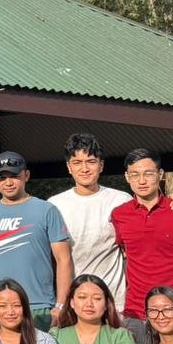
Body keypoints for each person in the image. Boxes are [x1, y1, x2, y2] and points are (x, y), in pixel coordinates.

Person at [0, 152, 72, 331]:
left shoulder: (47, 210)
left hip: (39, 307)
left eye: (14, 176)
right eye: (2, 177)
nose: (8, 183)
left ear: (26, 175)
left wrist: (60, 306)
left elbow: (64, 260)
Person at [110, 149, 173, 344]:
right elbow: (125, 253)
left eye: (148, 173)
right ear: (127, 177)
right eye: (135, 174)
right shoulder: (120, 215)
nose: (142, 181)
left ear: (160, 174)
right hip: (136, 311)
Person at [48, 133, 132, 313]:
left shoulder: (121, 200)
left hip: (114, 303)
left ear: (101, 165)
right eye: (77, 162)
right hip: (72, 304)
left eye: (91, 162)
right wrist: (60, 304)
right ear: (69, 167)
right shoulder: (54, 205)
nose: (84, 168)